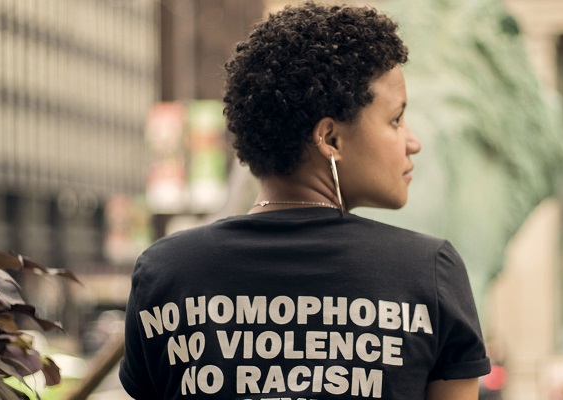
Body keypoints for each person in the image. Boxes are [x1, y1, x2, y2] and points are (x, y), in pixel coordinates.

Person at [118, 3, 491, 399]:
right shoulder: (430, 274)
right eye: (396, 120)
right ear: (329, 139)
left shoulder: (165, 273)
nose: (412, 142)